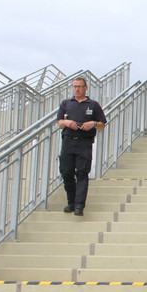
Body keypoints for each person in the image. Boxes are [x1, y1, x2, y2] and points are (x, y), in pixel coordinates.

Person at [56, 77, 107, 217]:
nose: (77, 89)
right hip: (68, 141)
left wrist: (93, 124)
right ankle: (71, 202)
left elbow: (102, 124)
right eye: (74, 87)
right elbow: (59, 122)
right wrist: (66, 122)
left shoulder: (93, 105)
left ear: (86, 88)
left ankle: (79, 205)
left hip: (84, 142)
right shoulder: (66, 103)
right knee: (66, 172)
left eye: (79, 86)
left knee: (82, 173)